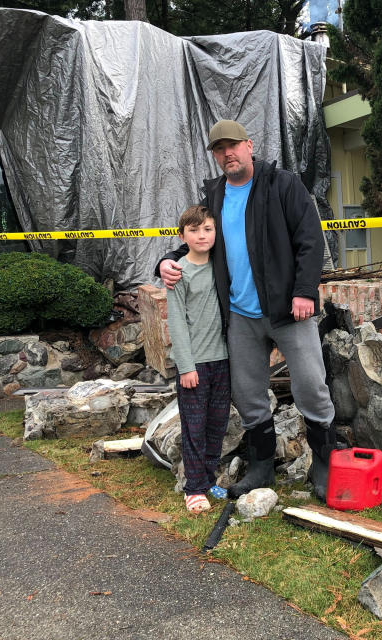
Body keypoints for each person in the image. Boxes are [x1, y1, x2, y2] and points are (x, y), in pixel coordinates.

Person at [156, 119, 336, 500]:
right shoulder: (216, 195)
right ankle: (261, 467)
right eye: (219, 149)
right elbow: (197, 238)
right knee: (248, 392)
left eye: (233, 146)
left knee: (310, 385)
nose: (227, 154)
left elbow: (310, 240)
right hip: (239, 315)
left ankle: (324, 462)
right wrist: (169, 259)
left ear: (249, 145)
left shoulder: (282, 185)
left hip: (290, 310)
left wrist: (304, 291)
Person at [166, 205, 231, 513]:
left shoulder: (222, 265)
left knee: (216, 425)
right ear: (182, 236)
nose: (202, 235)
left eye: (207, 229)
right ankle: (193, 488)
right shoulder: (179, 272)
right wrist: (186, 366)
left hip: (223, 360)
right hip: (196, 365)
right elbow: (176, 321)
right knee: (195, 426)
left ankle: (207, 480)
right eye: (194, 230)